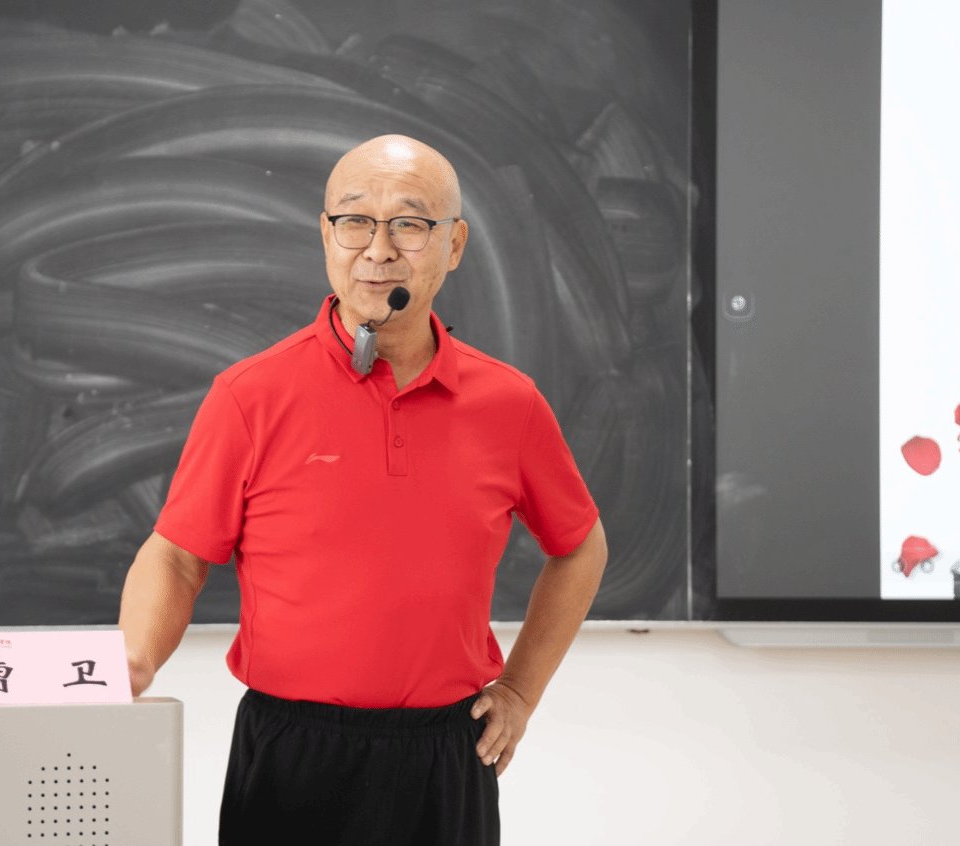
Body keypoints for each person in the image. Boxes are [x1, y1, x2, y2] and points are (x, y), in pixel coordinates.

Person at [118, 134, 607, 845]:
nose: (378, 251)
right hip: (291, 753)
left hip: (446, 754)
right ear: (326, 234)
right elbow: (176, 554)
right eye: (355, 221)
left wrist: (521, 690)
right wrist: (133, 662)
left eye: (409, 224)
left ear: (454, 244)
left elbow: (580, 545)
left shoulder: (510, 404)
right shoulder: (250, 394)